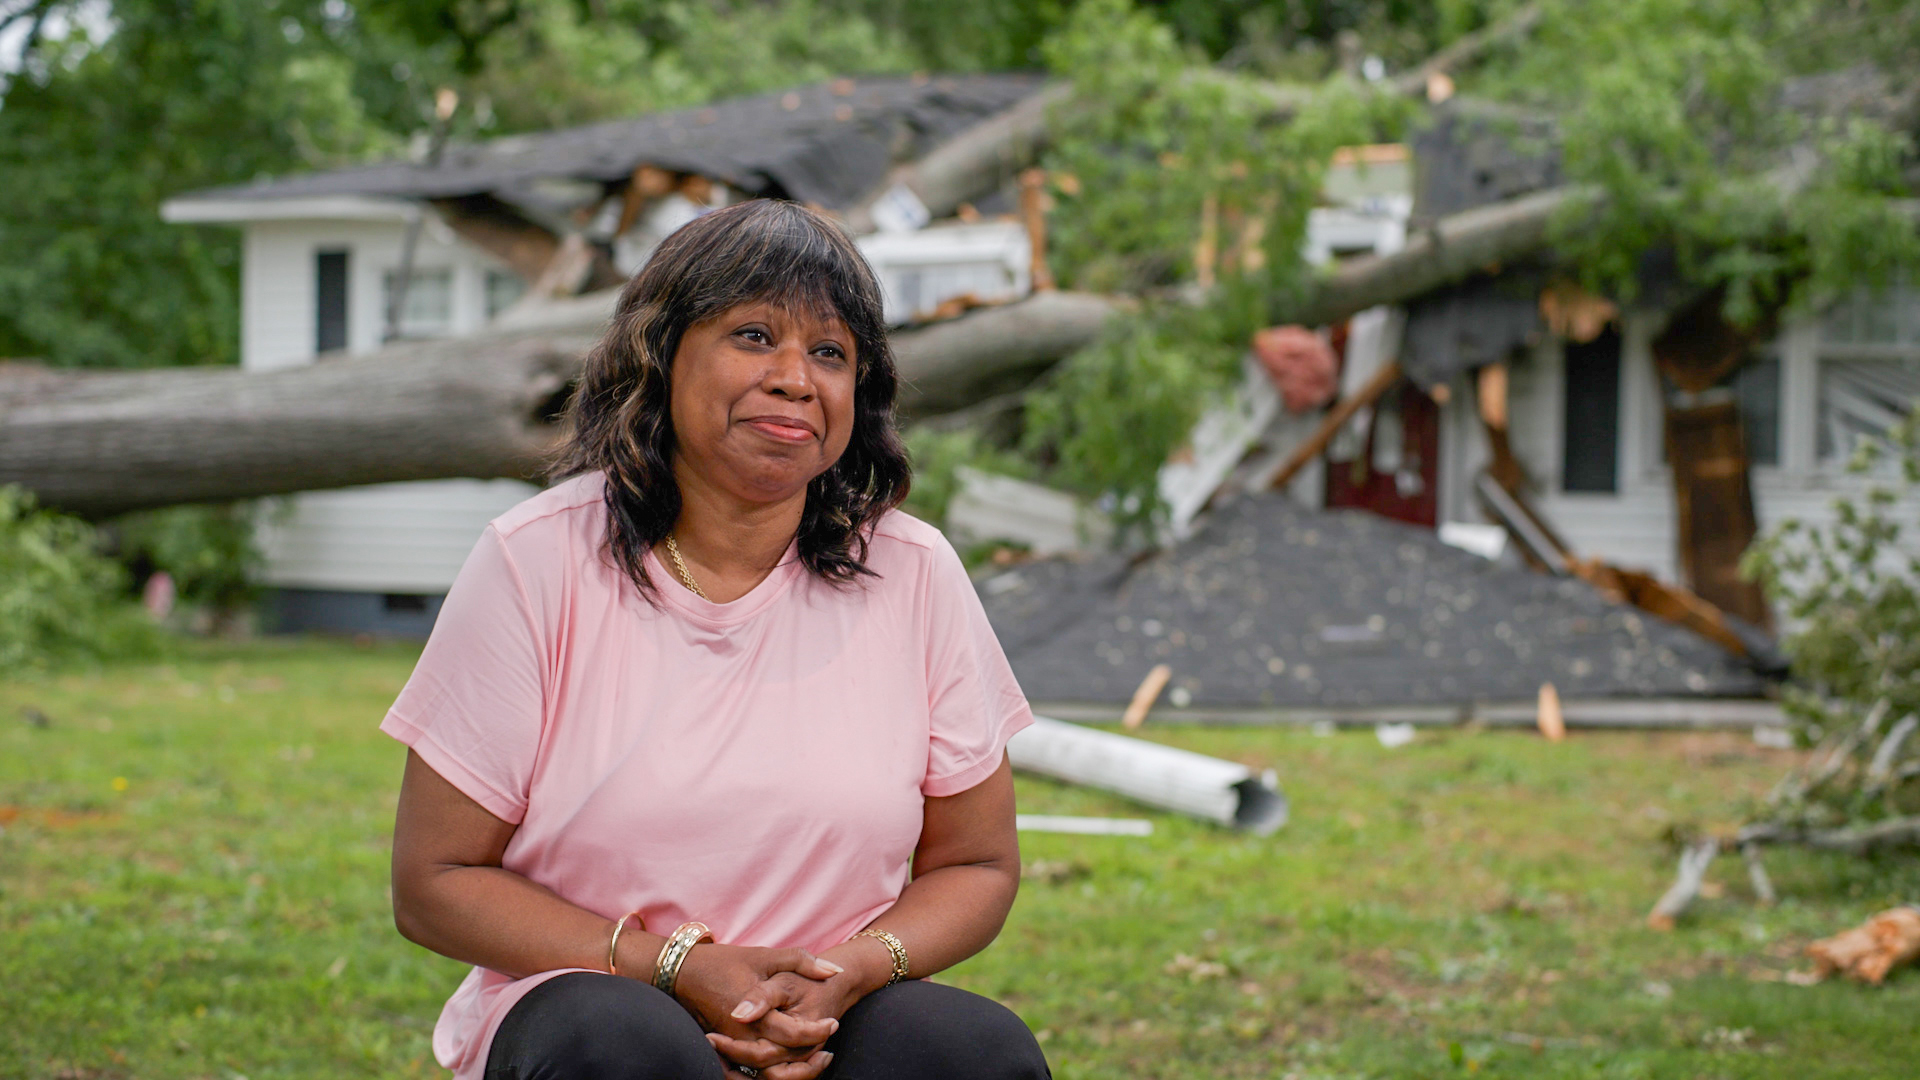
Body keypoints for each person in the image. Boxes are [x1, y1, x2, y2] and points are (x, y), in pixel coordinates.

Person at [383, 198, 1049, 1080]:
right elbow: (435, 881)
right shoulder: (536, 562)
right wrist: (675, 967)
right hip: (600, 1001)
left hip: (824, 1019)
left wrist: (846, 973)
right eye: (752, 336)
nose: (793, 378)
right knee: (617, 1045)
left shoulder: (914, 572)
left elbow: (976, 864)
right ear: (660, 359)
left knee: (974, 1054)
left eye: (829, 353)